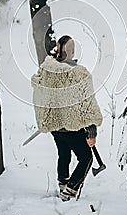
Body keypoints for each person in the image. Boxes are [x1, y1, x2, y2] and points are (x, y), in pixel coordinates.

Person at [31, 35, 103, 201]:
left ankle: (63, 185)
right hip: (72, 126)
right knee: (86, 157)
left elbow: (39, 89)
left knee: (64, 154)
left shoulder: (46, 69)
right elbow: (87, 102)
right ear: (72, 51)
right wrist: (92, 131)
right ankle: (69, 191)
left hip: (55, 126)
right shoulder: (79, 73)